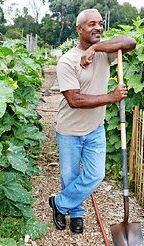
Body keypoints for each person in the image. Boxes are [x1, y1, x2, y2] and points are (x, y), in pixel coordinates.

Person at [49, 8, 136, 234]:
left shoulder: (104, 53)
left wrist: (95, 47)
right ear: (79, 29)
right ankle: (76, 213)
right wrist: (111, 97)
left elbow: (130, 42)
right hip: (69, 130)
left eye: (99, 23)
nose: (97, 27)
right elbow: (74, 100)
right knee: (70, 176)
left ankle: (59, 204)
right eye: (91, 24)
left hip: (95, 129)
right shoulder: (67, 61)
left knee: (95, 175)